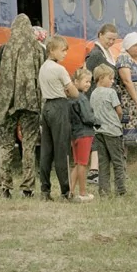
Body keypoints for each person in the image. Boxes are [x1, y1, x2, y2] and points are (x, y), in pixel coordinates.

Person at [0, 14, 44, 199]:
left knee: (6, 144)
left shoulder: (4, 49)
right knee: (29, 146)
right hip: (31, 104)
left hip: (9, 103)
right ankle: (28, 188)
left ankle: (4, 187)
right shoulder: (39, 50)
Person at [38, 36, 76, 201]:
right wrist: (72, 90)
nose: (65, 53)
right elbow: (73, 92)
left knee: (46, 150)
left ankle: (45, 190)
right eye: (62, 50)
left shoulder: (43, 68)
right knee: (62, 150)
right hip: (59, 106)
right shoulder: (60, 69)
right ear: (52, 50)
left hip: (46, 107)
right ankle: (65, 191)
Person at [89, 63, 127, 196]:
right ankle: (120, 189)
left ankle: (104, 190)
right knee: (118, 161)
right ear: (101, 78)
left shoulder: (93, 93)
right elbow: (119, 111)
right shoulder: (111, 92)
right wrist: (117, 119)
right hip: (113, 131)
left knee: (103, 162)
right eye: (110, 78)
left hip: (99, 131)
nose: (112, 81)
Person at [68, 68, 96, 202]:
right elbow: (88, 118)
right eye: (86, 81)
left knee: (77, 163)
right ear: (76, 82)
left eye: (89, 82)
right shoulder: (82, 98)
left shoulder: (70, 98)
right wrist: (97, 121)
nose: (88, 84)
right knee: (83, 164)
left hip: (74, 134)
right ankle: (83, 192)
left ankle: (70, 191)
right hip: (85, 133)